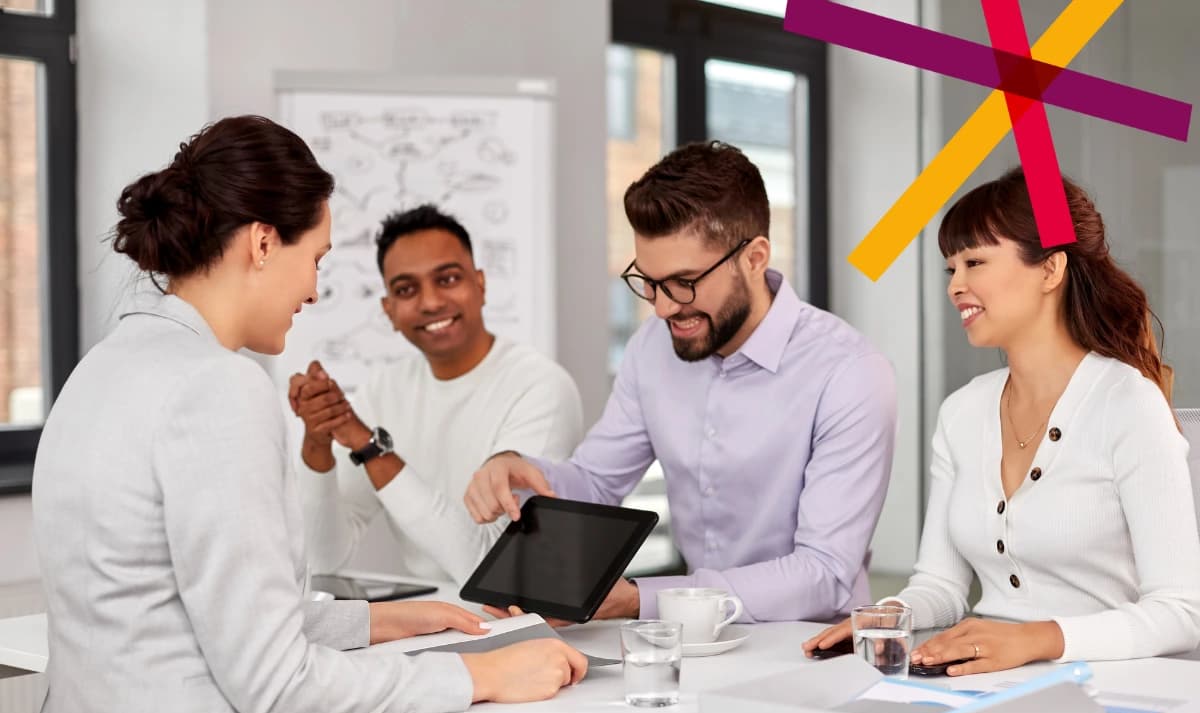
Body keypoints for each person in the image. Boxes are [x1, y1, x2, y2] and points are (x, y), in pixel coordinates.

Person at [22, 116, 586, 713]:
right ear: (263, 242)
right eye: (315, 258)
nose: (314, 290)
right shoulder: (219, 386)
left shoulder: (101, 368)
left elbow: (173, 604)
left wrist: (372, 622)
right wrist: (482, 678)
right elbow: (274, 682)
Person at [465, 141, 898, 623]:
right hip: (692, 645)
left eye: (684, 282)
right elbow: (596, 482)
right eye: (648, 282)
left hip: (814, 649)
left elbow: (824, 572)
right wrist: (521, 470)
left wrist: (642, 600)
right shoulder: (651, 348)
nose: (664, 307)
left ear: (754, 258)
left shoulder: (849, 372)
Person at [805, 168, 1200, 674]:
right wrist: (887, 616)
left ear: (1050, 270)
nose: (956, 286)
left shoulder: (1128, 405)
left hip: (1111, 687)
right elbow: (941, 588)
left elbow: (1180, 612)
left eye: (974, 262)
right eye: (951, 269)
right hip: (983, 684)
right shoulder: (962, 412)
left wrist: (1037, 640)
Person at [290, 205, 582, 585]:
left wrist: (370, 447)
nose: (430, 302)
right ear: (389, 310)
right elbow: (322, 557)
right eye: (406, 289)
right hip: (427, 619)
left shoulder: (541, 387)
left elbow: (492, 566)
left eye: (447, 279)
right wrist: (317, 440)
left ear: (481, 284)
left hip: (522, 619)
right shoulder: (383, 391)